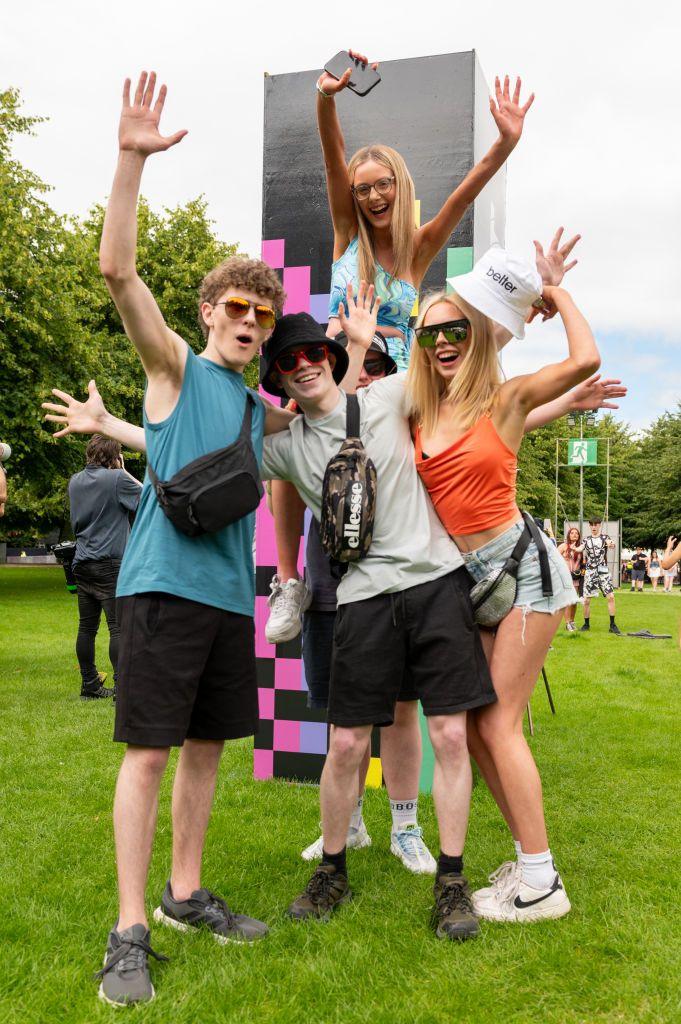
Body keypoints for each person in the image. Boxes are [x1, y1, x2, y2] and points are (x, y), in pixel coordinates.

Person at [49, 287, 498, 943]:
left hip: (435, 585)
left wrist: (516, 303)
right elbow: (182, 445)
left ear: (334, 357)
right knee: (345, 742)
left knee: (450, 736)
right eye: (289, 361)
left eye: (316, 351)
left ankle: (451, 881)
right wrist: (110, 427)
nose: (305, 363)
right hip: (359, 597)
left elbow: (466, 365)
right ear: (278, 377)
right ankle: (332, 868)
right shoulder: (279, 443)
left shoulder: (389, 395)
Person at [41, 71, 312, 1007]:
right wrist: (130, 159)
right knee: (148, 755)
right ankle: (128, 928)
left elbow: (327, 414)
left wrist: (350, 350)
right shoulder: (174, 366)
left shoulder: (257, 410)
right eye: (235, 309)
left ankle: (185, 893)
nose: (248, 322)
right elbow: (118, 271)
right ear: (208, 314)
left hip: (223, 600)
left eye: (261, 314)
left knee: (205, 751)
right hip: (157, 590)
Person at [265, 54, 537, 645]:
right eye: (363, 190)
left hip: (393, 385)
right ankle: (289, 580)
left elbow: (465, 195)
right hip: (340, 372)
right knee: (285, 443)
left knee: (434, 460)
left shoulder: (416, 251)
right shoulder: (345, 233)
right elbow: (332, 160)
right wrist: (325, 98)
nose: (371, 196)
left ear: (399, 185)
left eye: (382, 184)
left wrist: (506, 143)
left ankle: (467, 566)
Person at [407, 246, 599, 923]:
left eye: (455, 328)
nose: (440, 342)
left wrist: (552, 292)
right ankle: (527, 862)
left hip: (524, 571)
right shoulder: (421, 414)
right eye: (428, 332)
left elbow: (582, 360)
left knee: (494, 722)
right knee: (486, 728)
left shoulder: (505, 395)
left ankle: (542, 884)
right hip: (471, 583)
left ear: (481, 332)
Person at [296, 334, 436, 874]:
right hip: (333, 592)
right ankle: (349, 825)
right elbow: (279, 488)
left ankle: (406, 828)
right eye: (357, 365)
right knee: (343, 721)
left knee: (402, 712)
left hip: (398, 589)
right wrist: (289, 576)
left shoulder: (400, 415)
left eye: (377, 366)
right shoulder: (307, 427)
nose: (366, 374)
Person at [68, 433, 142, 699]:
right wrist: (123, 470)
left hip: (82, 562)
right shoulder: (117, 479)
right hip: (111, 563)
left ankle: (89, 684)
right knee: (118, 627)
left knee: (87, 627)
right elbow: (148, 499)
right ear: (114, 455)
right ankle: (122, 689)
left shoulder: (74, 481)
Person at [580, 518, 621, 633]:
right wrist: (573, 548)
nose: (594, 527)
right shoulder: (586, 540)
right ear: (589, 526)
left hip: (603, 571)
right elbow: (580, 548)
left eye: (596, 525)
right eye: (591, 525)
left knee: (611, 597)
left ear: (599, 526)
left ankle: (612, 625)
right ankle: (586, 624)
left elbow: (610, 543)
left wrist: (611, 544)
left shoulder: (605, 537)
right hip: (590, 571)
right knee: (587, 600)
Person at [558, 526, 583, 630]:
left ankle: (572, 621)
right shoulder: (563, 546)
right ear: (568, 535)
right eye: (572, 533)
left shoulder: (580, 548)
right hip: (566, 577)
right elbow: (554, 558)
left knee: (574, 601)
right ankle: (567, 622)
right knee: (568, 600)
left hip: (576, 577)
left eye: (576, 533)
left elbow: (583, 562)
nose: (574, 535)